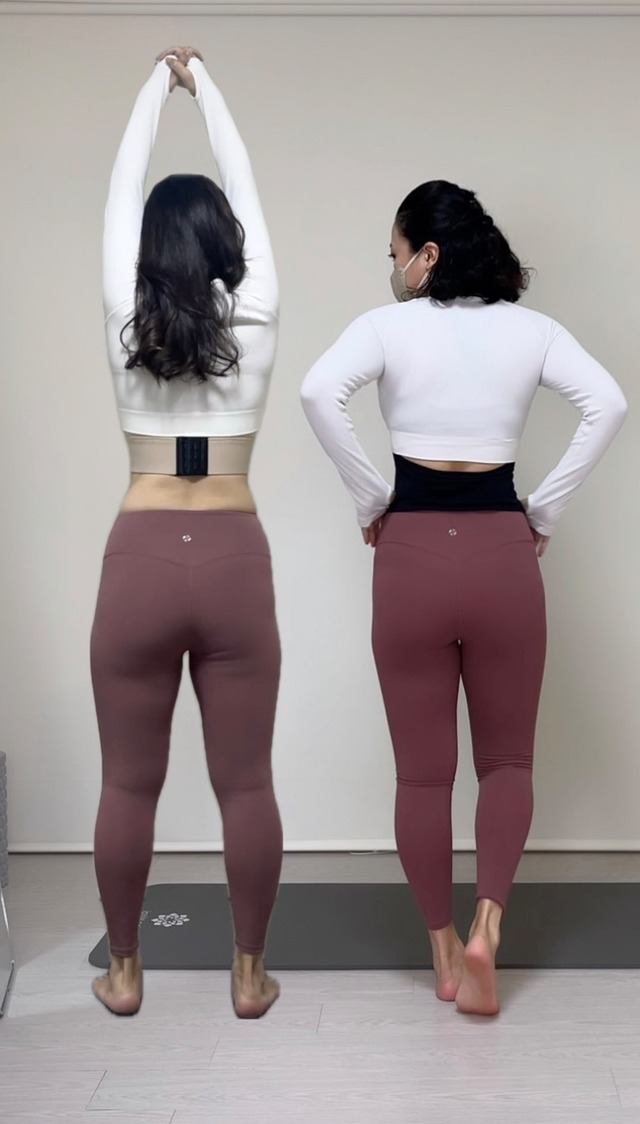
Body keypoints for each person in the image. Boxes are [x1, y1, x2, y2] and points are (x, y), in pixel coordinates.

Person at [301, 180, 627, 1017]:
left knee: (422, 775)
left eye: (394, 253)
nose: (392, 268)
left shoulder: (385, 327)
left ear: (427, 256)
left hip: (410, 555)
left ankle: (444, 953)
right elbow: (609, 403)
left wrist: (372, 500)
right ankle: (488, 926)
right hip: (502, 557)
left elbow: (316, 393)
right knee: (507, 763)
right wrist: (543, 512)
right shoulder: (533, 331)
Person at [91, 46, 282, 1019]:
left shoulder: (126, 315)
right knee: (245, 783)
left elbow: (121, 191)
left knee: (128, 783)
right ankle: (248, 975)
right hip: (236, 556)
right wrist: (208, 86)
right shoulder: (258, 314)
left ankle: (125, 972)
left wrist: (150, 89)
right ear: (224, 241)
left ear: (146, 250)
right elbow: (244, 184)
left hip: (141, 554)